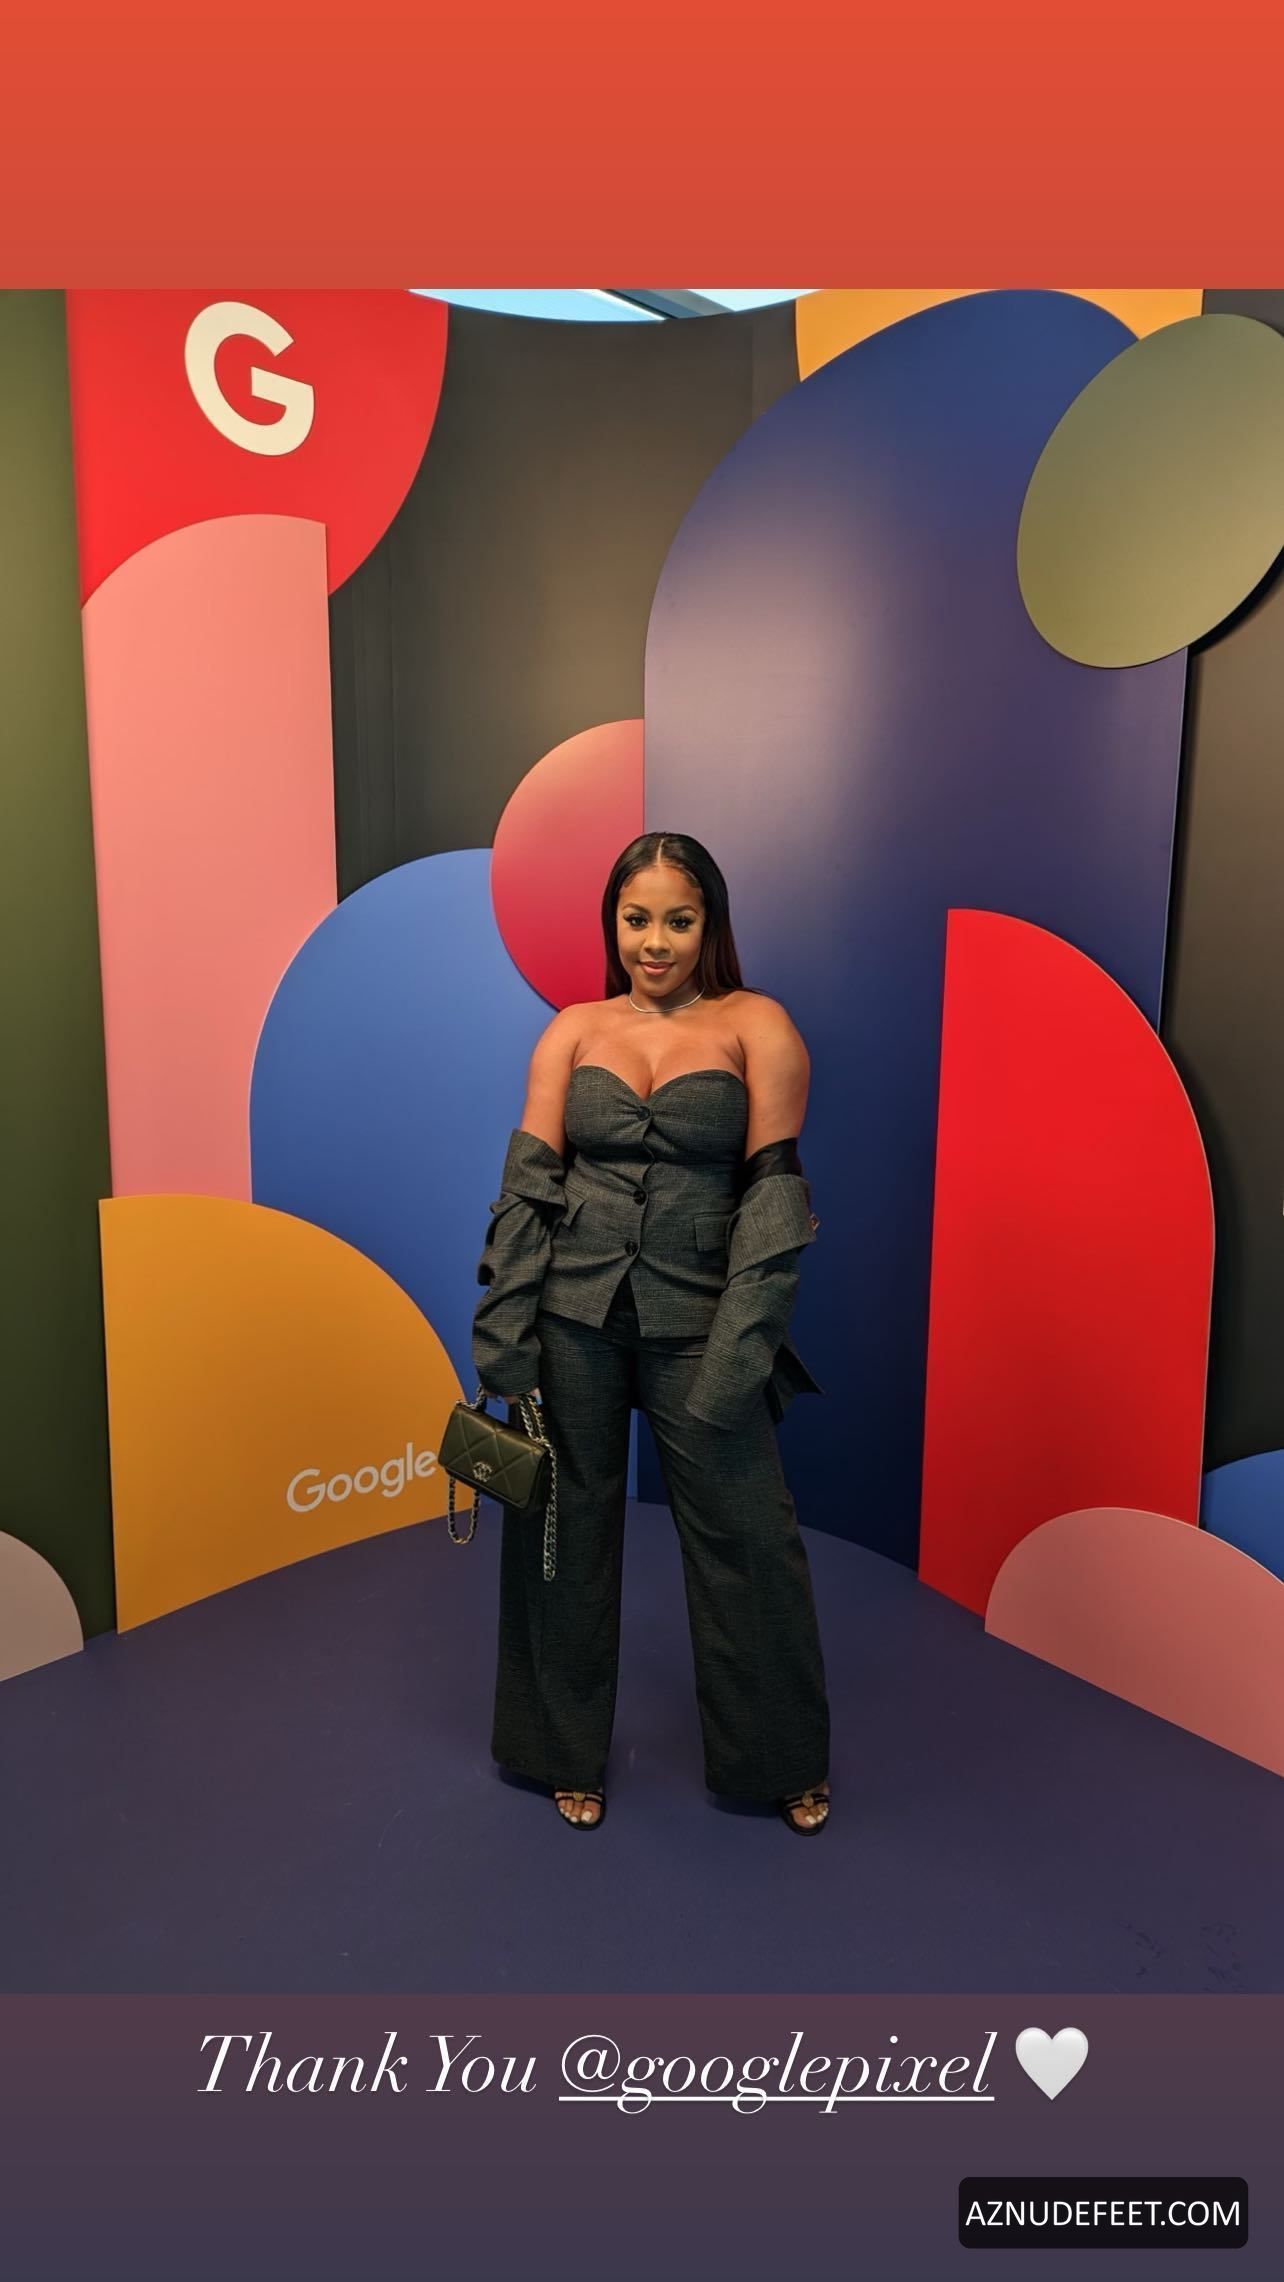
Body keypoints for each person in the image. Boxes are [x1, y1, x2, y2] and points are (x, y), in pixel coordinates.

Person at [470, 831, 831, 1835]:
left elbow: (775, 1198)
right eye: (637, 919)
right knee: (560, 1535)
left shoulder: (759, 1025)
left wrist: (743, 1343)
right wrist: (505, 1332)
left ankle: (780, 1759)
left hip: (702, 1321)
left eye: (679, 919)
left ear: (709, 923)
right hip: (573, 1321)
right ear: (613, 923)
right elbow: (531, 1184)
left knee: (748, 1538)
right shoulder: (573, 1030)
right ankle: (559, 1751)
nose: (656, 942)